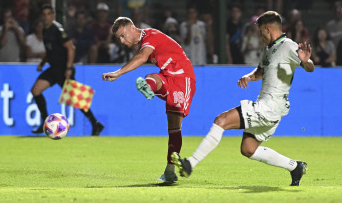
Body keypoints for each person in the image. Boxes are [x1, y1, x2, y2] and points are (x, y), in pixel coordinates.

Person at [171, 11, 315, 186]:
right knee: (248, 149)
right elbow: (261, 71)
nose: (260, 36)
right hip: (272, 108)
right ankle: (295, 167)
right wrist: (249, 76)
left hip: (269, 106)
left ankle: (190, 164)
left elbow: (309, 67)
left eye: (261, 32)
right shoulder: (270, 48)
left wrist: (306, 62)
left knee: (221, 120)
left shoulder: (288, 46)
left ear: (269, 29)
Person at [102, 17, 196, 182]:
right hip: (168, 76)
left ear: (132, 27)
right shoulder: (145, 40)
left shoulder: (150, 35)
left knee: (174, 127)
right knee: (150, 78)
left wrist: (118, 73)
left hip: (183, 79)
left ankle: (170, 170)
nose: (122, 41)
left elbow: (143, 57)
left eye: (123, 36)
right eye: (119, 39)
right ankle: (148, 86)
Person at [31, 4, 104, 136]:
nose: (46, 17)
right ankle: (44, 122)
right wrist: (42, 63)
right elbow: (50, 50)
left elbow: (71, 48)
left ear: (53, 16)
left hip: (64, 69)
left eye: (49, 14)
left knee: (76, 99)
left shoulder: (57, 29)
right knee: (35, 91)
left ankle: (95, 123)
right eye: (44, 14)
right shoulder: (45, 30)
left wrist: (69, 67)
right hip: (54, 69)